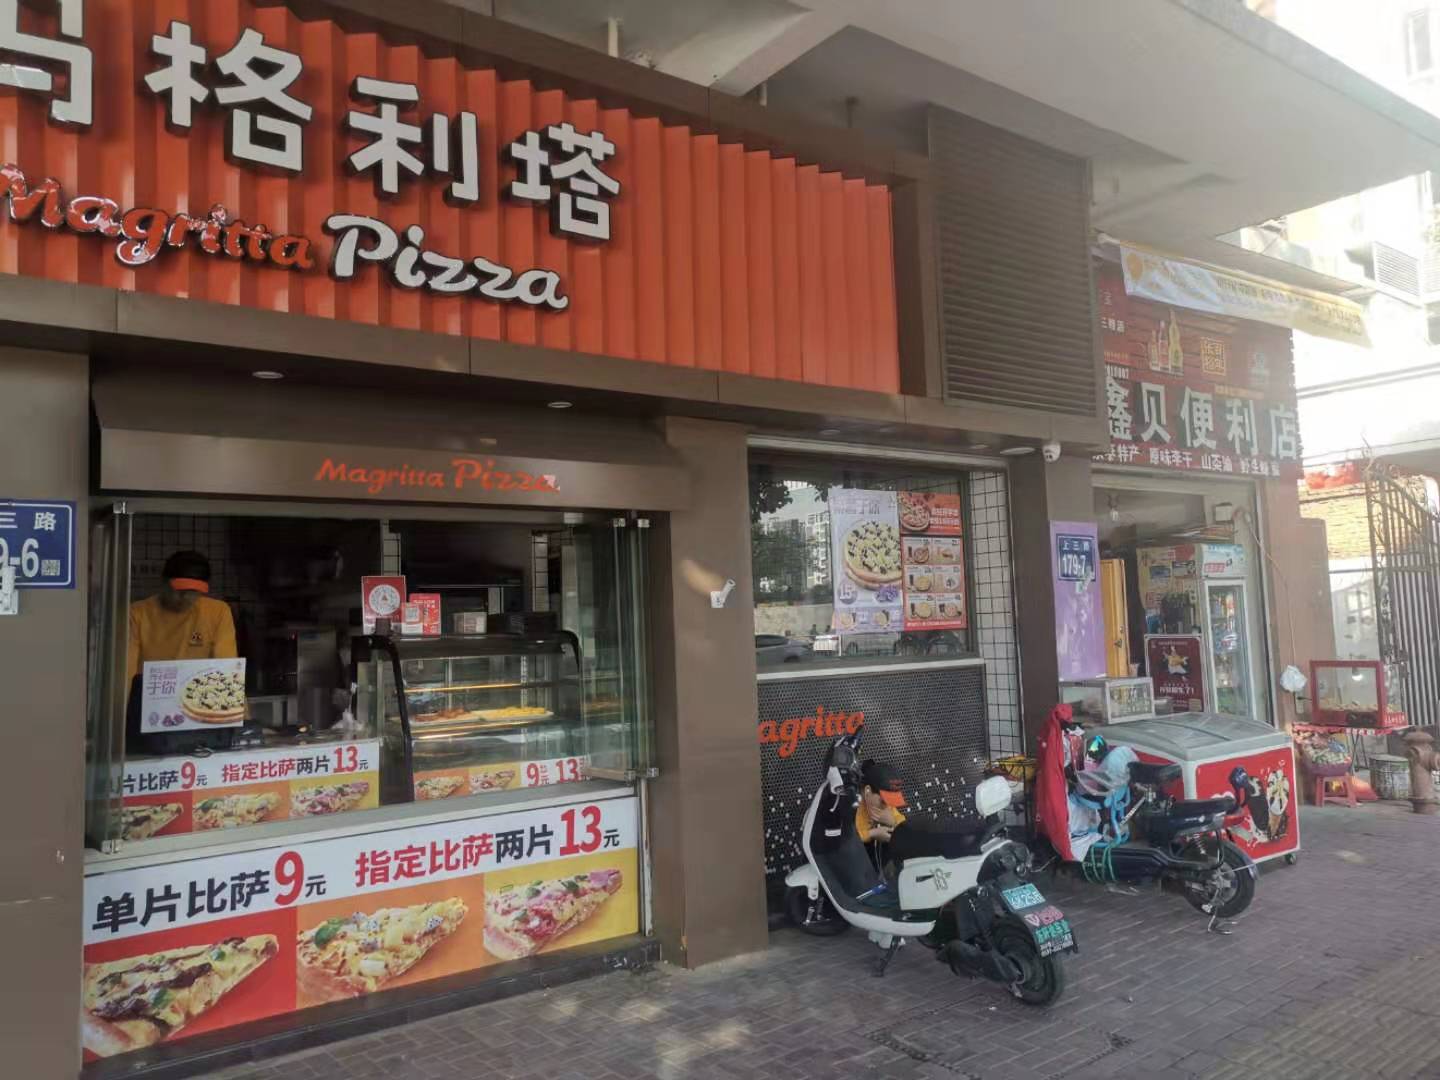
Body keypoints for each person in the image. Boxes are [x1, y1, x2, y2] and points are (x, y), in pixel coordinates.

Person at [126, 551, 238, 682]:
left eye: (194, 591)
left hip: (197, 692)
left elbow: (226, 668)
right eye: (180, 591)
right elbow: (127, 672)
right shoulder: (137, 614)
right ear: (163, 582)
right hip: (150, 691)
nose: (187, 597)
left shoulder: (218, 612)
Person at [856, 759, 908, 844]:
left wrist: (893, 823)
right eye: (883, 801)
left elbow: (903, 824)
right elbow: (841, 842)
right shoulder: (851, 806)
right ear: (867, 791)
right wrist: (871, 834)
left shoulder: (887, 806)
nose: (887, 806)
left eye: (891, 801)